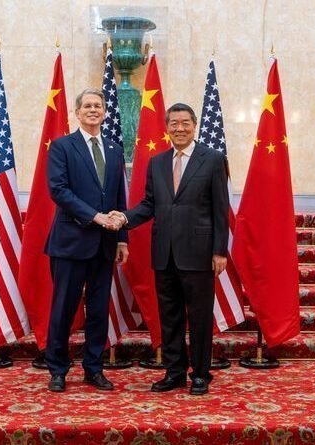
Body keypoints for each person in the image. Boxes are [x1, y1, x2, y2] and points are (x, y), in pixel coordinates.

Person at [109, 103, 229, 395]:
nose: (180, 128)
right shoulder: (158, 162)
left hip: (199, 253)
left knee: (199, 318)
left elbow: (220, 208)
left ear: (194, 125)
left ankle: (200, 374)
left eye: (185, 123)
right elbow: (150, 204)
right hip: (164, 253)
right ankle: (175, 372)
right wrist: (124, 217)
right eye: (174, 123)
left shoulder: (213, 159)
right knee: (170, 317)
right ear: (167, 128)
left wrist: (219, 251)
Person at [44, 88, 129, 392]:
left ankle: (94, 368)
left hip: (105, 245)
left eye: (98, 106)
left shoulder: (115, 150)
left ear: (105, 112)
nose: (93, 110)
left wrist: (122, 239)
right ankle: (57, 369)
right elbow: (58, 190)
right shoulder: (62, 146)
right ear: (77, 112)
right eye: (88, 106)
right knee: (64, 309)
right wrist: (95, 216)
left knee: (98, 311)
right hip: (70, 242)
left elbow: (118, 196)